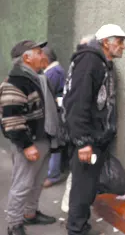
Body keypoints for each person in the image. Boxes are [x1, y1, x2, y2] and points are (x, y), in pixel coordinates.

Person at [61, 25, 125, 235]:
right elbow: (78, 103)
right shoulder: (90, 61)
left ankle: (80, 226)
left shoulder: (101, 62)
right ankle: (76, 229)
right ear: (105, 42)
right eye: (119, 41)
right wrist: (83, 142)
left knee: (87, 187)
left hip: (95, 140)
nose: (123, 46)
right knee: (82, 190)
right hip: (87, 141)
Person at [1, 40, 57, 235]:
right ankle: (14, 225)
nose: (44, 56)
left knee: (37, 181)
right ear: (26, 57)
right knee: (23, 184)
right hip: (30, 142)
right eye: (39, 53)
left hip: (43, 138)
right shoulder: (15, 82)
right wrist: (26, 145)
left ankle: (30, 214)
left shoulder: (37, 78)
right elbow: (11, 118)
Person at [60, 34, 95, 214]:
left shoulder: (76, 63)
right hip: (78, 132)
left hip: (73, 129)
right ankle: (73, 216)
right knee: (78, 176)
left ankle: (71, 211)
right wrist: (82, 140)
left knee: (77, 175)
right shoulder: (86, 63)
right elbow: (80, 103)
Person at [41, 45, 67, 188]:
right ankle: (51, 173)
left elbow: (46, 93)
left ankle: (53, 175)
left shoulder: (54, 72)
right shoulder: (52, 71)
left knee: (54, 143)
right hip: (53, 112)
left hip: (54, 113)